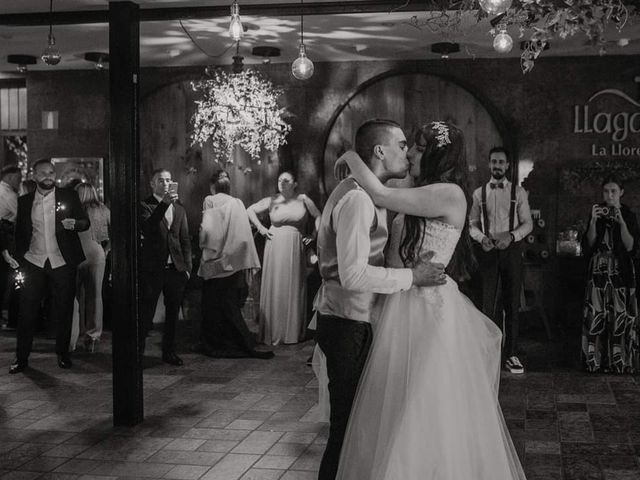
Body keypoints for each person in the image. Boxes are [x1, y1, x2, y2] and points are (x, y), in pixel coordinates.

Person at [334, 121, 525, 480]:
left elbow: (381, 195)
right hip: (399, 306)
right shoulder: (421, 188)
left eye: (419, 148)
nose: (410, 154)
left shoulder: (451, 194)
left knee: (422, 406)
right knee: (393, 405)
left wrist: (349, 155)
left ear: (437, 155)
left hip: (430, 312)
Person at [314, 119, 446, 480]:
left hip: (351, 319)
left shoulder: (361, 190)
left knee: (356, 426)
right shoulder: (357, 200)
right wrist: (412, 278)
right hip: (346, 321)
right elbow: (353, 274)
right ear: (379, 151)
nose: (407, 151)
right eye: (402, 145)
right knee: (345, 429)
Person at [9, 159, 90, 374]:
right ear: (34, 176)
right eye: (43, 173)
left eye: (51, 172)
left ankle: (63, 354)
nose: (48, 176)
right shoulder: (25, 201)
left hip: (62, 262)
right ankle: (21, 358)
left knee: (64, 310)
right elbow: (20, 233)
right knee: (26, 312)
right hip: (33, 261)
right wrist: (16, 258)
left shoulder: (68, 196)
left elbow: (85, 222)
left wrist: (76, 224)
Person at [469, 147, 533, 374]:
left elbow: (527, 223)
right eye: (494, 161)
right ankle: (488, 352)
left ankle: (512, 354)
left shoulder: (518, 192)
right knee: (487, 303)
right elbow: (472, 224)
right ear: (489, 164)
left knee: (511, 302)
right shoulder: (479, 194)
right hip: (487, 251)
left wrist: (512, 236)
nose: (497, 165)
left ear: (507, 166)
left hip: (511, 250)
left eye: (501, 162)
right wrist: (482, 238)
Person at [197, 170, 274, 359]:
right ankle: (242, 344)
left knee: (211, 307)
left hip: (213, 263)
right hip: (232, 263)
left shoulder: (210, 200)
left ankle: (216, 344)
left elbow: (209, 232)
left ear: (212, 185)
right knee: (230, 306)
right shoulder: (236, 203)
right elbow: (243, 237)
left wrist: (205, 248)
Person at [247, 171, 321, 345]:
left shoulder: (303, 199)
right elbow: (249, 210)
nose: (282, 183)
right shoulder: (271, 200)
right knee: (276, 284)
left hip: (294, 246)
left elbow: (319, 216)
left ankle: (292, 332)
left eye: (286, 180)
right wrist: (261, 228)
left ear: (294, 183)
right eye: (279, 180)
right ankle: (272, 331)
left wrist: (313, 235)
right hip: (274, 245)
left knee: (293, 285)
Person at [581, 175, 639, 373]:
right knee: (596, 314)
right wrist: (593, 222)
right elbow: (588, 245)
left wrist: (622, 222)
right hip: (598, 271)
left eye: (614, 191)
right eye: (606, 191)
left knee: (620, 315)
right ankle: (594, 361)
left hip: (620, 271)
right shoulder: (597, 212)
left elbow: (631, 247)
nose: (610, 195)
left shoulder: (629, 215)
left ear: (621, 192)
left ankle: (619, 362)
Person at [139, 168, 192, 366]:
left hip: (175, 269)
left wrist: (187, 268)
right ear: (152, 184)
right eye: (160, 180)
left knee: (172, 315)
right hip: (152, 269)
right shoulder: (145, 205)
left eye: (168, 180)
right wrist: (163, 204)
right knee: (146, 312)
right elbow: (148, 227)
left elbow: (184, 239)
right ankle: (139, 353)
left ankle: (169, 352)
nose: (165, 183)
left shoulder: (179, 208)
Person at [70, 183, 110, 352]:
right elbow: (113, 234)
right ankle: (93, 336)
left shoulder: (72, 209)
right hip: (96, 253)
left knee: (73, 298)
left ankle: (71, 339)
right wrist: (106, 251)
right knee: (95, 296)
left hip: (75, 255)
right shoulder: (103, 209)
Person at [0, 165, 21, 329]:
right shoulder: (7, 194)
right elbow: (19, 214)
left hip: (5, 236)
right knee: (9, 278)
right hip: (6, 238)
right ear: (10, 176)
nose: (19, 180)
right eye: (17, 177)